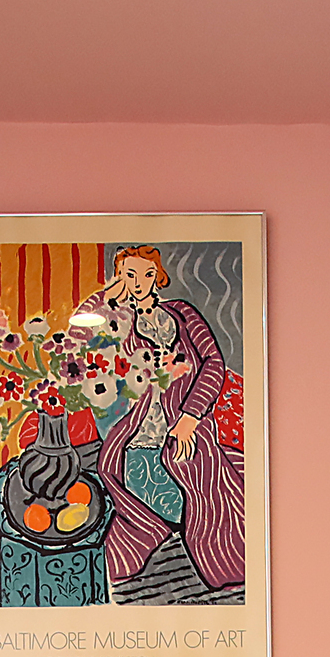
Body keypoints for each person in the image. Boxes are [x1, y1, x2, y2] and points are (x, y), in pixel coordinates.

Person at [73, 247, 245, 598]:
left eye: (146, 275)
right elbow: (71, 345)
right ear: (118, 277)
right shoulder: (114, 321)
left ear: (158, 276)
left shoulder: (181, 313)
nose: (138, 284)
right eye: (129, 275)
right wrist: (105, 297)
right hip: (137, 435)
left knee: (212, 488)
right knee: (166, 497)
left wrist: (190, 417)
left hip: (190, 426)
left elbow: (213, 362)